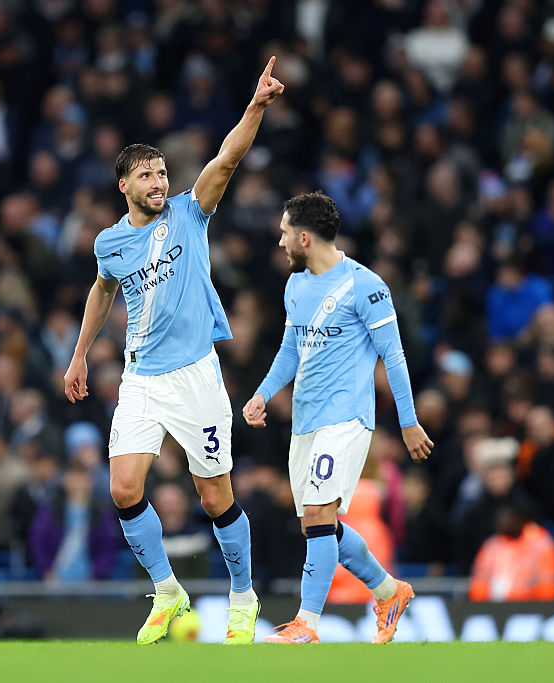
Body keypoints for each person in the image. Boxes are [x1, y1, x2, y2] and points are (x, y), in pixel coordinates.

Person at [62, 57, 284, 645]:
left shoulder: (191, 213)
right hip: (140, 378)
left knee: (216, 496)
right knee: (123, 489)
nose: (160, 183)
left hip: (196, 378)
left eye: (162, 173)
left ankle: (243, 596)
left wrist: (255, 106)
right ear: (125, 186)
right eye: (148, 177)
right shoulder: (110, 242)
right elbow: (103, 290)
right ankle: (167, 590)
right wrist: (81, 353)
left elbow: (227, 158)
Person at [242, 191, 433, 644]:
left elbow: (395, 357)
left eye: (285, 232)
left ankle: (307, 624)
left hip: (346, 418)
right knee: (318, 525)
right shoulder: (296, 285)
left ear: (305, 237)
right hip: (305, 421)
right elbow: (291, 350)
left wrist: (408, 421)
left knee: (319, 513)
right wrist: (263, 394)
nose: (280, 241)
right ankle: (390, 592)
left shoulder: (366, 286)